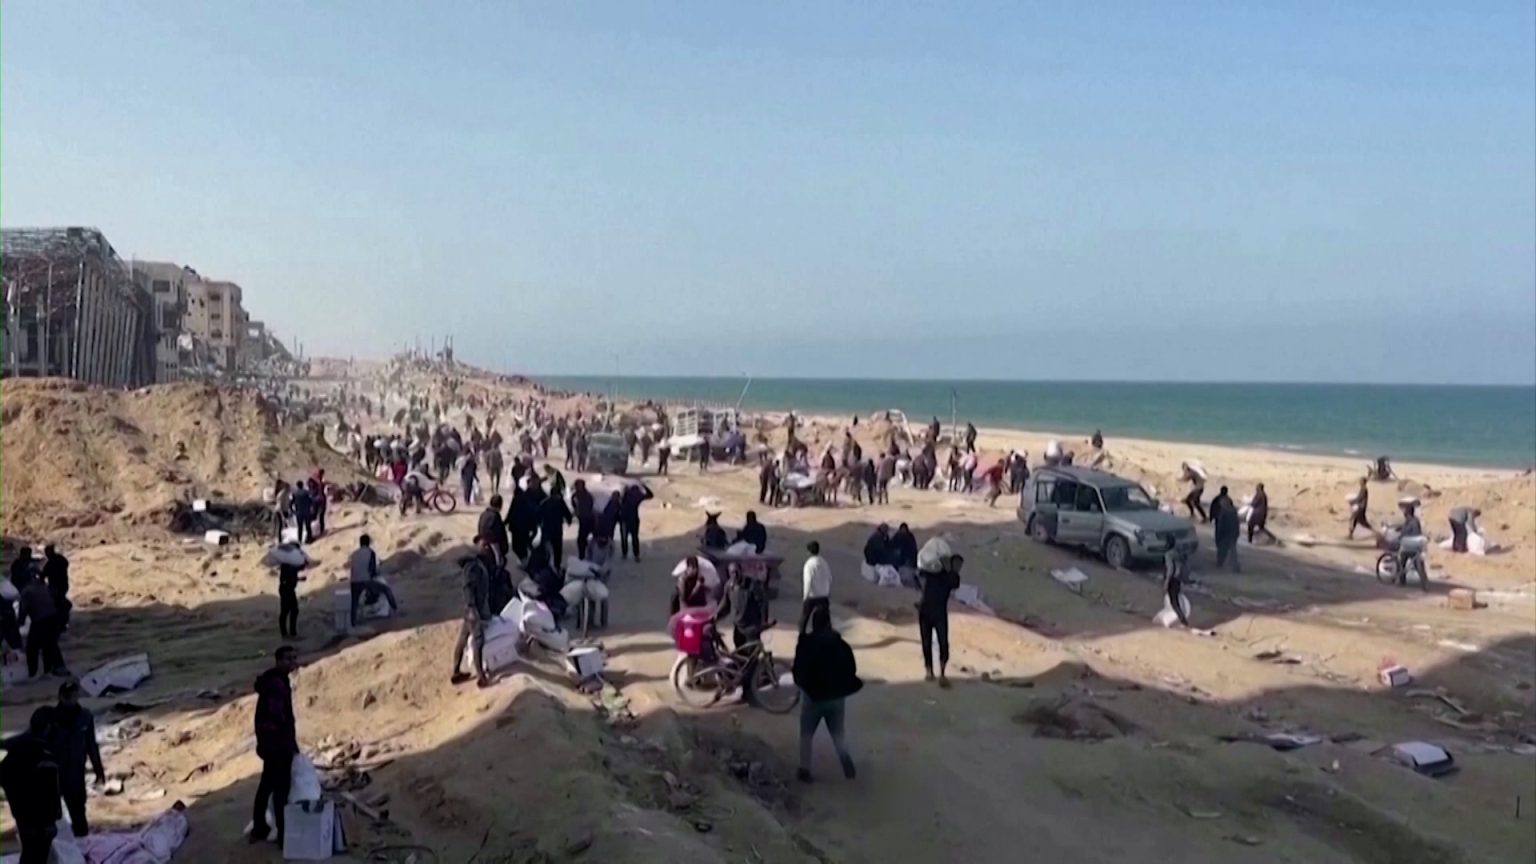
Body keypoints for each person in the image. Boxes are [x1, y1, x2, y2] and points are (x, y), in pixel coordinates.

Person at [792, 605, 861, 783]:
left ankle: (804, 770)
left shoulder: (806, 644)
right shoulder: (841, 645)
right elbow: (851, 669)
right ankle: (845, 759)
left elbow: (798, 672)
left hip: (813, 698)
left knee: (806, 734)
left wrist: (804, 686)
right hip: (837, 698)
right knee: (838, 732)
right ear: (829, 624)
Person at [250, 646, 299, 846]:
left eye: (294, 658)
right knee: (280, 790)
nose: (293, 663)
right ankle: (283, 834)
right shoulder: (277, 684)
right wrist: (288, 743)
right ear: (278, 661)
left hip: (269, 745)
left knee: (266, 786)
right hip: (278, 746)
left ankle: (259, 827)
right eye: (289, 659)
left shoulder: (272, 681)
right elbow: (279, 717)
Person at [1, 707, 63, 863]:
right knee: (37, 855)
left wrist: (16, 799)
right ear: (49, 727)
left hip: (22, 816)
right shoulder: (45, 754)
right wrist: (54, 816)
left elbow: (3, 774)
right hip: (40, 821)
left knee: (29, 855)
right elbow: (50, 791)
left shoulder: (18, 747)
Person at [52, 679, 105, 838]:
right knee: (53, 816)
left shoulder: (85, 717)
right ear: (60, 697)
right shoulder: (49, 718)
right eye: (67, 696)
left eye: (73, 695)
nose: (70, 699)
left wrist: (99, 771)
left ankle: (82, 844)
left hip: (76, 773)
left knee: (79, 815)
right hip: (54, 774)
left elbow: (91, 746)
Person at [451, 540, 496, 688]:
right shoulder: (473, 567)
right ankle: (481, 677)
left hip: (471, 609)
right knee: (478, 640)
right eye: (484, 546)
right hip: (473, 610)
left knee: (463, 639)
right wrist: (472, 608)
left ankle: (456, 672)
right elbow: (468, 587)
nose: (487, 548)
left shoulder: (476, 565)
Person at [917, 552, 962, 687]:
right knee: (928, 642)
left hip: (935, 612)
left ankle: (940, 671)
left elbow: (955, 583)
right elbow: (921, 573)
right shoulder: (936, 573)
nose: (958, 567)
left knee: (941, 642)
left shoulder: (952, 577)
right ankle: (930, 670)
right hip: (929, 612)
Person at [18, 575, 67, 678]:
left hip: (40, 620)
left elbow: (23, 611)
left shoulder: (26, 591)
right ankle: (54, 668)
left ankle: (33, 673)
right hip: (54, 617)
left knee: (32, 648)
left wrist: (18, 623)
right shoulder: (43, 586)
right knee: (50, 644)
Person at [348, 535, 399, 626]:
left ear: (360, 543)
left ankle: (353, 622)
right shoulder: (371, 552)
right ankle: (395, 609)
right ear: (368, 543)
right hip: (365, 580)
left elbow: (352, 569)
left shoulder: (354, 554)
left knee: (354, 602)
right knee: (386, 590)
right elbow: (372, 569)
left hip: (354, 581)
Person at [536, 484, 574, 568]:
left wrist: (569, 520)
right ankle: (549, 564)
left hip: (553, 529)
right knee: (550, 548)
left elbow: (566, 513)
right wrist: (569, 520)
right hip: (550, 529)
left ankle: (555, 565)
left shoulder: (550, 502)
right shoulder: (550, 502)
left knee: (555, 548)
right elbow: (538, 514)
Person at [800, 541, 832, 634]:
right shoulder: (824, 562)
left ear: (809, 552)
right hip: (823, 595)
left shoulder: (809, 564)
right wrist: (827, 591)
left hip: (812, 596)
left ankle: (802, 636)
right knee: (825, 619)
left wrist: (805, 596)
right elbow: (829, 578)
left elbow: (808, 581)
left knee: (804, 618)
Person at [619, 482, 655, 562]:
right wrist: (644, 486)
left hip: (624, 520)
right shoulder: (638, 496)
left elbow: (621, 499)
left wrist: (625, 489)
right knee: (634, 538)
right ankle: (636, 555)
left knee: (624, 538)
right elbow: (650, 495)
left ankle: (624, 554)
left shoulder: (626, 495)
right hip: (634, 520)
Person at [276, 553, 309, 639]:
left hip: (287, 589)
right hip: (286, 590)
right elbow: (290, 574)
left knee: (288, 611)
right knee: (291, 610)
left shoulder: (288, 563)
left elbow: (292, 574)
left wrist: (299, 578)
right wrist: (303, 564)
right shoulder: (287, 564)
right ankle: (289, 633)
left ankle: (287, 633)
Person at [1210, 486, 1241, 572]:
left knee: (1222, 548)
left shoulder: (1222, 509)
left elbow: (1220, 522)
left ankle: (1220, 562)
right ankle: (1234, 565)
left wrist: (1211, 518)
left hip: (1224, 532)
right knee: (1232, 549)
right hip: (1232, 532)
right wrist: (1237, 532)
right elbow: (1237, 522)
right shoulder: (1233, 509)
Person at [41, 545, 71, 632]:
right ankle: (62, 622)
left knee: (58, 605)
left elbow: (44, 574)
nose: (46, 554)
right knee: (60, 603)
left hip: (56, 586)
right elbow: (66, 564)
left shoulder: (51, 562)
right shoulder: (60, 559)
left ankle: (60, 623)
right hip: (63, 585)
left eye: (47, 552)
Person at [1163, 549, 1192, 627]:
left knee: (1174, 602)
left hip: (1172, 580)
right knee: (1175, 601)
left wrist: (1166, 582)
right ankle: (1181, 618)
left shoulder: (1169, 555)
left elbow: (1170, 569)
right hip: (1178, 580)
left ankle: (1182, 619)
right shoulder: (1179, 554)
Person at [478, 495, 510, 566]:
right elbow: (499, 531)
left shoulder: (484, 513)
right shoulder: (495, 516)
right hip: (491, 539)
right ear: (499, 506)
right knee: (497, 554)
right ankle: (498, 566)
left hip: (482, 537)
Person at [571, 480, 596, 561]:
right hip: (583, 519)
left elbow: (589, 506)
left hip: (588, 519)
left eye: (578, 486)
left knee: (582, 538)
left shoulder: (587, 496)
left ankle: (585, 554)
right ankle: (583, 554)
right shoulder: (576, 495)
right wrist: (576, 511)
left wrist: (580, 511)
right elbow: (574, 504)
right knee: (582, 539)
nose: (577, 488)